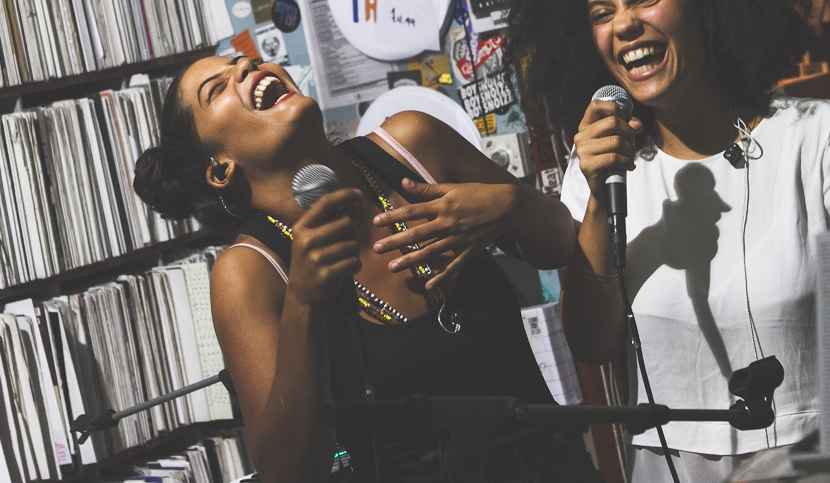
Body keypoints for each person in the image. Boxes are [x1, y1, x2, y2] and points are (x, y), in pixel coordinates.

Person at [503, 0, 830, 482]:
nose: (624, 23)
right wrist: (600, 200)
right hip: (668, 464)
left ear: (707, 0)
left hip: (821, 455)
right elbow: (593, 345)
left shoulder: (820, 139)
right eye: (602, 13)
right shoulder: (601, 172)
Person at [132, 54, 604, 483]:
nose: (244, 69)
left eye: (242, 61)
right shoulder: (248, 273)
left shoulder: (415, 143)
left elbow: (563, 244)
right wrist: (303, 305)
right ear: (220, 169)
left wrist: (512, 204)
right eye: (216, 89)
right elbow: (287, 472)